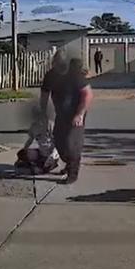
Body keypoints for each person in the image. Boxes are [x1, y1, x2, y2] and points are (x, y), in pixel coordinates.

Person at [41, 52, 93, 184]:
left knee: (72, 144)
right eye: (56, 62)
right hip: (61, 113)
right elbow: (44, 95)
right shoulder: (50, 75)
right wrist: (44, 114)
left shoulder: (75, 75)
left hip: (76, 113)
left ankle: (73, 173)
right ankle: (69, 163)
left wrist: (80, 114)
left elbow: (87, 94)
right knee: (59, 140)